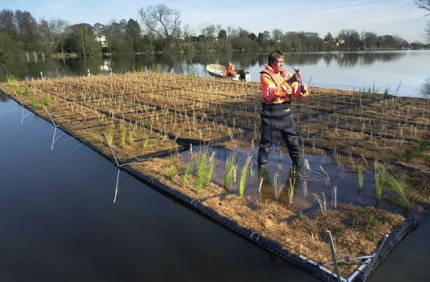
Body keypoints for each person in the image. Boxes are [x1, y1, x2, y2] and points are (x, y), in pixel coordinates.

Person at [257, 49, 309, 170]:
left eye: (283, 62)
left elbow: (296, 93)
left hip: (286, 113)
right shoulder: (265, 75)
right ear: (271, 62)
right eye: (278, 61)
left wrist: (303, 90)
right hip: (270, 113)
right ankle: (262, 170)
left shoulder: (286, 74)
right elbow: (271, 94)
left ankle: (298, 166)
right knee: (266, 144)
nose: (281, 64)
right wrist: (290, 81)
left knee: (293, 143)